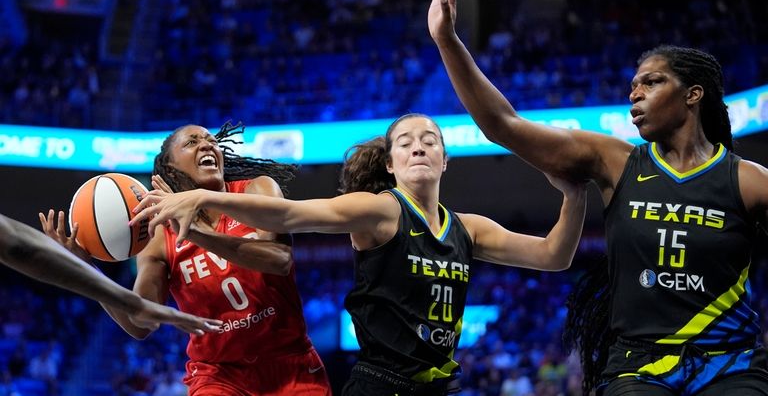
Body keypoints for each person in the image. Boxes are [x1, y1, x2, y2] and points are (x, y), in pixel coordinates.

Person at [427, 0, 768, 394]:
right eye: (632, 85)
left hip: (730, 363)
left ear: (693, 94)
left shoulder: (748, 181)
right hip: (640, 366)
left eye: (652, 82)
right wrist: (447, 41)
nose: (634, 93)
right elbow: (503, 125)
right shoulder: (615, 161)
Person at [130, 113, 587, 396]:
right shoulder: (379, 210)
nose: (419, 144)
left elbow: (554, 255)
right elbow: (289, 215)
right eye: (405, 141)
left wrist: (574, 192)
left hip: (437, 385)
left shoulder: (469, 227)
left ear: (447, 160)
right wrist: (204, 201)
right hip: (381, 384)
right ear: (390, 164)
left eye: (430, 139)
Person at [41, 121, 332, 396]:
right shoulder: (158, 236)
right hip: (218, 374)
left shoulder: (257, 189)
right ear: (170, 168)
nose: (207, 145)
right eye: (192, 142)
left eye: (211, 141)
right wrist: (85, 268)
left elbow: (279, 260)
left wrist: (196, 233)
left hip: (289, 364)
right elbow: (141, 323)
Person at [0, 212, 222, 334]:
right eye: (192, 142)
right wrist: (86, 263)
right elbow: (17, 245)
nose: (207, 145)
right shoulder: (161, 240)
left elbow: (17, 243)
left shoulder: (248, 194)